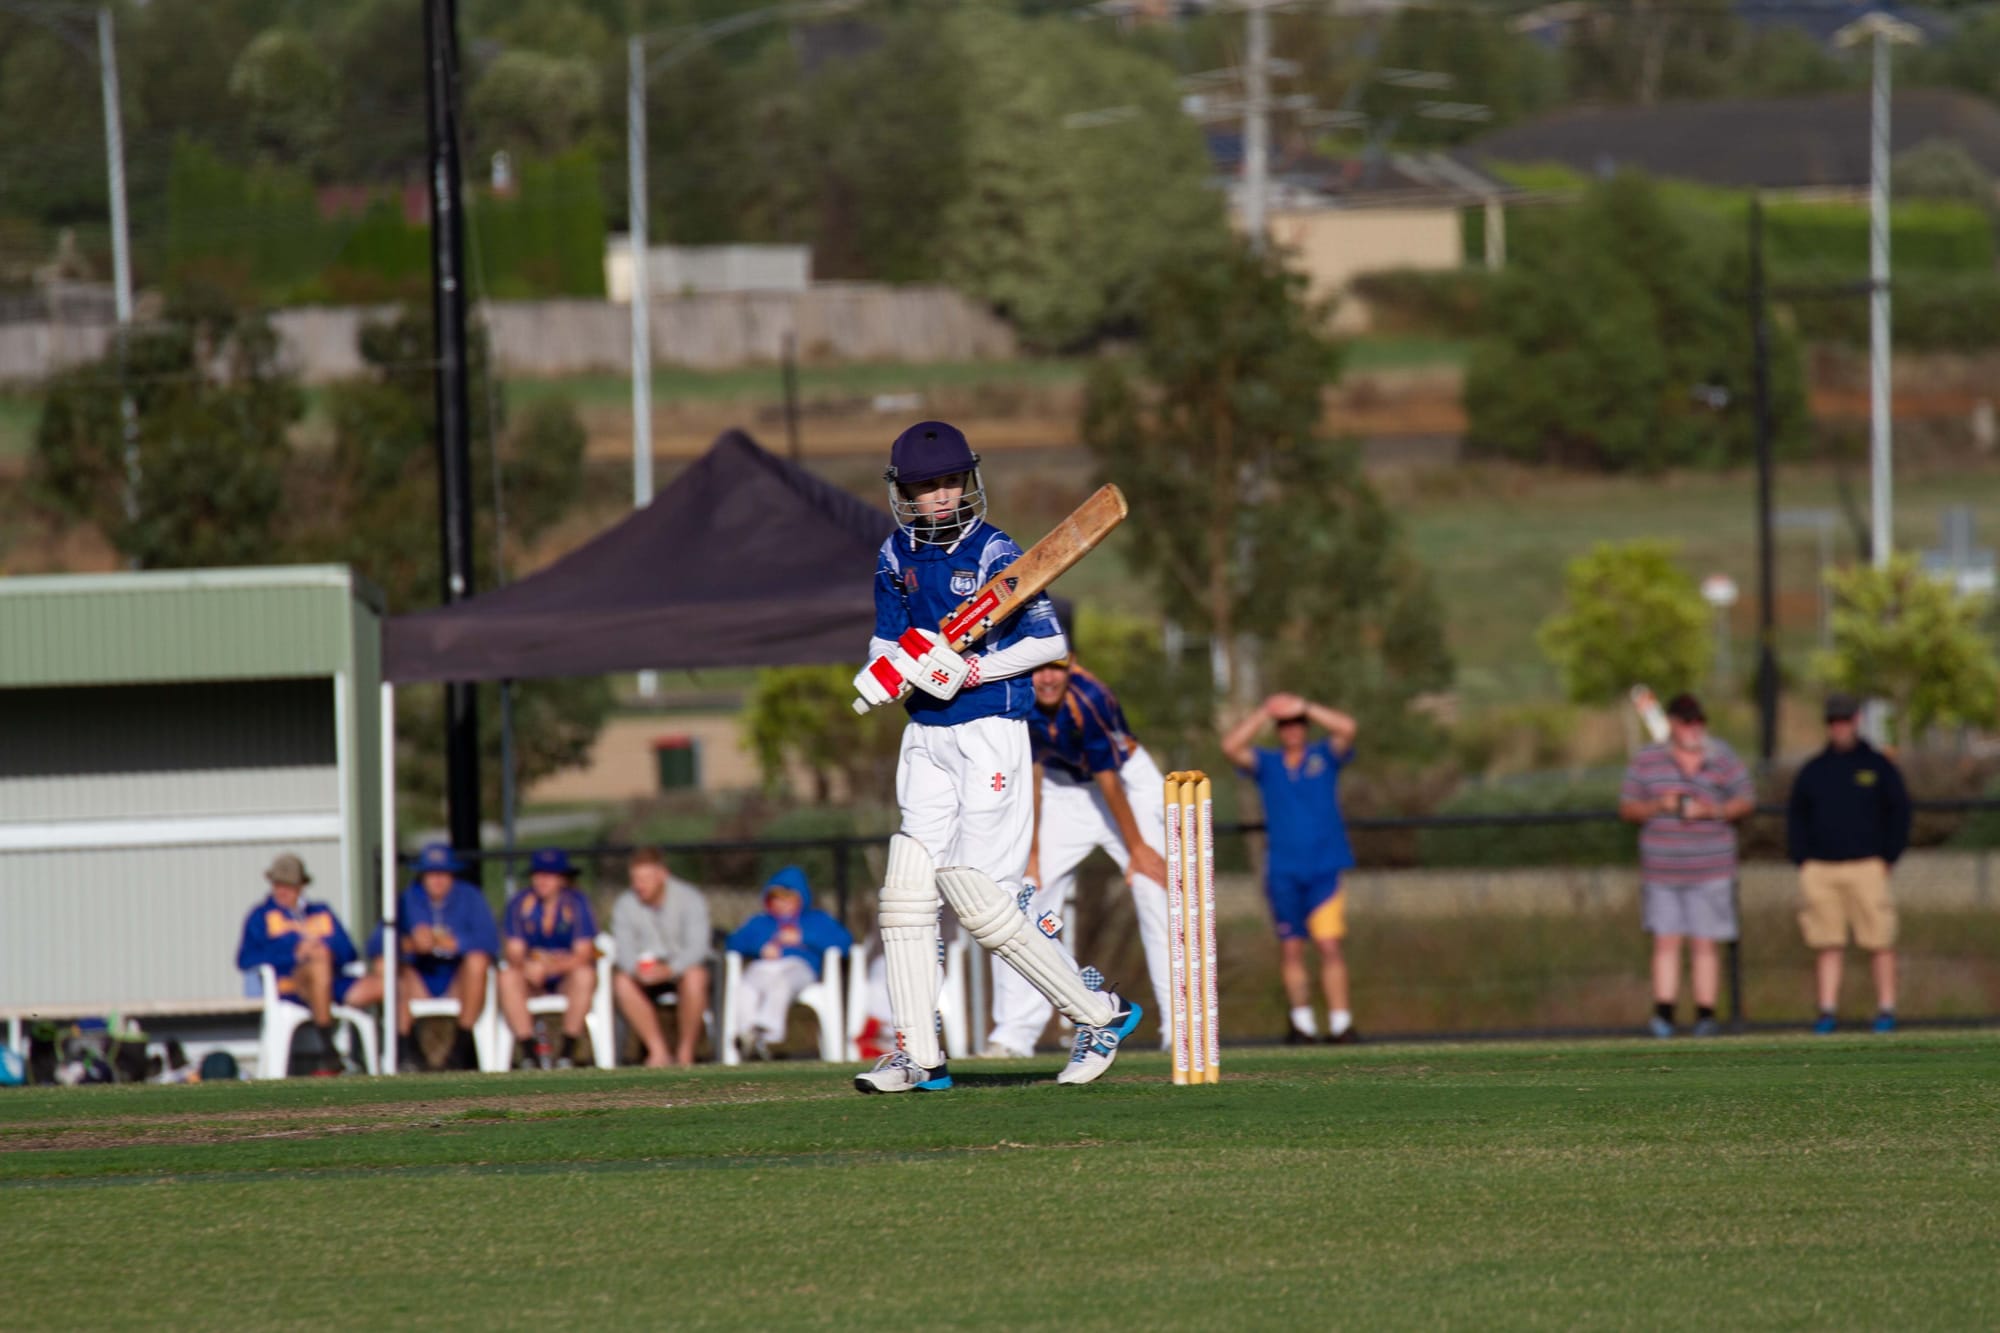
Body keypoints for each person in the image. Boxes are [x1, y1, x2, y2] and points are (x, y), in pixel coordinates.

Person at [848, 420, 1141, 1092]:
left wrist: (972, 669)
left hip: (989, 730)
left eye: (950, 482)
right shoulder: (894, 555)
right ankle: (919, 1052)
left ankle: (1099, 1013)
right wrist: (886, 671)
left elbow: (1048, 645)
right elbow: (884, 641)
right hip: (925, 734)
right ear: (904, 493)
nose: (942, 497)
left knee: (978, 895)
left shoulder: (994, 553)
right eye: (927, 487)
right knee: (906, 891)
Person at [985, 657, 1173, 1059]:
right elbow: (1031, 774)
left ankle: (1179, 1026)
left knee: (1152, 887)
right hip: (1062, 789)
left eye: (1056, 667)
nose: (1047, 678)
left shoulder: (1090, 700)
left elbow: (1109, 781)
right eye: (1038, 668)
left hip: (1127, 787)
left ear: (1070, 664)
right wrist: (1031, 853)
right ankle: (1013, 1034)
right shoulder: (1020, 696)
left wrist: (1138, 850)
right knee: (1025, 894)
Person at [1222, 692, 1361, 1044]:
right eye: (1285, 725)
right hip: (1283, 869)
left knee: (1329, 945)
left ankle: (1341, 1023)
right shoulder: (1268, 764)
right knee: (1291, 947)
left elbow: (1348, 728)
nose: (1292, 730)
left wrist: (1305, 706)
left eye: (1297, 723)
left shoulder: (1324, 756)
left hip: (1324, 868)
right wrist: (1265, 710)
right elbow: (1231, 746)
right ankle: (1303, 1025)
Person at [1617, 692, 1756, 1038]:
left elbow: (1746, 798)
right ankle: (1663, 1015)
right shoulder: (1648, 760)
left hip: (1711, 869)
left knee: (1705, 943)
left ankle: (1705, 1015)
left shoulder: (1720, 755)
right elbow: (1627, 807)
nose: (1695, 728)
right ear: (1674, 725)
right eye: (1687, 722)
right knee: (1666, 941)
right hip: (1662, 872)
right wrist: (1659, 806)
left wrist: (1711, 810)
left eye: (1699, 721)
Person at [1788, 692, 1912, 1034]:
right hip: (1821, 868)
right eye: (1833, 721)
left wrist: (1888, 856)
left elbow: (1900, 812)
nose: (1839, 727)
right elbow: (1796, 817)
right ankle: (1827, 1012)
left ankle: (1886, 1009)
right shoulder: (1814, 770)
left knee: (1879, 939)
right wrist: (1802, 859)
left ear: (1856, 721)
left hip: (1867, 866)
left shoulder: (1877, 766)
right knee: (1827, 942)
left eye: (1844, 720)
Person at [347, 841, 499, 1071]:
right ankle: (408, 1051)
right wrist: (409, 944)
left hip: (457, 981)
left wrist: (455, 943)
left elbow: (490, 941)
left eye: (443, 874)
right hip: (417, 981)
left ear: (452, 875)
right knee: (385, 965)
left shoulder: (470, 897)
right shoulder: (407, 900)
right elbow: (376, 944)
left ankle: (461, 1046)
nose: (437, 880)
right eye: (431, 874)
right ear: (422, 876)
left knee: (478, 962)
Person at [235, 852, 359, 1076]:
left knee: (387, 980)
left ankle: (402, 1055)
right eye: (278, 884)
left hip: (333, 984)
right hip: (291, 984)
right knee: (318, 962)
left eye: (289, 885)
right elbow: (246, 959)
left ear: (301, 886)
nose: (282, 891)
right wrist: (295, 954)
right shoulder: (261, 916)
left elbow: (350, 952)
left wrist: (325, 949)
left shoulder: (321, 912)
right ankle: (328, 1049)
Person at [724, 866, 854, 1060]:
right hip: (764, 967)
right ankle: (746, 1034)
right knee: (745, 986)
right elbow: (733, 943)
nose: (782, 903)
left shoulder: (816, 920)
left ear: (801, 897)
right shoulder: (760, 922)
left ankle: (768, 1035)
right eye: (776, 898)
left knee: (782, 984)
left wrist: (803, 937)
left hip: (799, 967)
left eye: (788, 897)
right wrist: (760, 947)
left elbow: (844, 942)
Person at [609, 848, 712, 1068]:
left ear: (662, 875)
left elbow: (697, 948)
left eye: (645, 879)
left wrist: (670, 969)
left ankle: (685, 1054)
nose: (639, 885)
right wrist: (638, 971)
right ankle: (659, 1053)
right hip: (644, 973)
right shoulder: (625, 905)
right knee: (621, 982)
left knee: (696, 976)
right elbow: (624, 952)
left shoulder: (690, 899)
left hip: (680, 970)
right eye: (635, 879)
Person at [498, 849, 599, 1069]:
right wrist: (528, 966)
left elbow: (583, 953)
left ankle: (567, 1051)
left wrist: (552, 967)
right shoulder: (519, 904)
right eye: (538, 874)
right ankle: (528, 1052)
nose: (543, 880)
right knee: (507, 977)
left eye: (550, 874)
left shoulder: (577, 903)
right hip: (530, 978)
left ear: (562, 878)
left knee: (585, 975)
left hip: (565, 979)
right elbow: (514, 952)